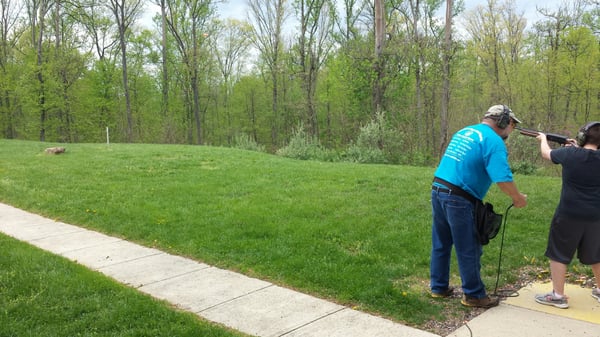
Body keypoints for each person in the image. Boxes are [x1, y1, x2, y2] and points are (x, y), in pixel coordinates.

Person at [430, 104, 528, 308]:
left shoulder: (466, 131)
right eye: (511, 124)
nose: (511, 129)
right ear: (504, 122)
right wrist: (517, 197)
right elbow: (502, 178)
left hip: (439, 188)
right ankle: (474, 295)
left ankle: (438, 287)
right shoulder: (494, 141)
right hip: (459, 196)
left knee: (442, 242)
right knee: (469, 246)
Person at [534, 122, 600, 309]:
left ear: (582, 138)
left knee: (558, 253)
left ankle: (558, 295)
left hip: (569, 213)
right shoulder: (575, 153)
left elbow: (546, 154)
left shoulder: (570, 154)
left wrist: (543, 139)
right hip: (596, 215)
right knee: (596, 254)